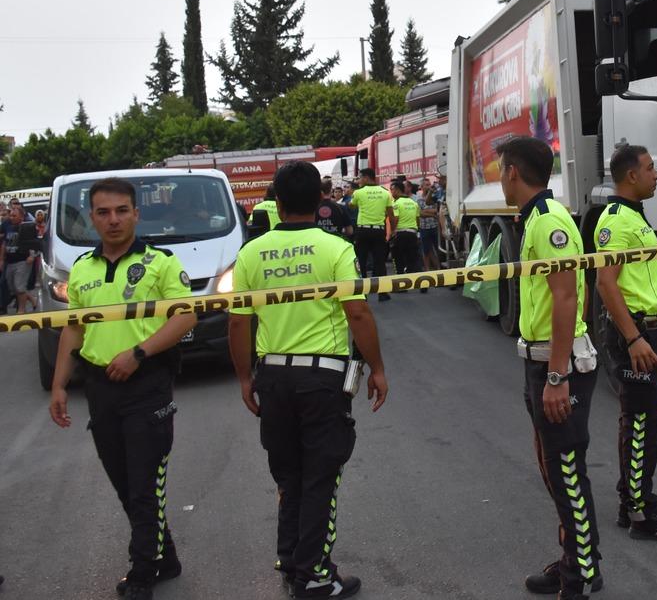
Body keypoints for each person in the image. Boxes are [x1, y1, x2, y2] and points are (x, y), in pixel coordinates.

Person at [228, 161, 388, 599]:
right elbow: (357, 311)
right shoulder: (334, 248)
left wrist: (245, 378)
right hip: (322, 378)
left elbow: (239, 324)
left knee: (289, 474)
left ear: (275, 203)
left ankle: (291, 557)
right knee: (321, 474)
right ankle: (315, 573)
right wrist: (376, 368)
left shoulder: (250, 253)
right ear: (321, 202)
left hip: (273, 376)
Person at [48, 177, 198, 600]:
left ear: (136, 213)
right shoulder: (82, 269)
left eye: (120, 211)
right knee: (122, 481)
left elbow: (185, 317)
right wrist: (59, 385)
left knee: (144, 483)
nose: (112, 220)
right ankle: (163, 557)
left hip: (147, 384)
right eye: (103, 212)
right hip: (99, 387)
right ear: (92, 217)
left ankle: (141, 572)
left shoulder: (161, 262)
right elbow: (72, 329)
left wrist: (139, 353)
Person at [497, 137, 602, 600]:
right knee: (554, 468)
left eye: (501, 170)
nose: (500, 178)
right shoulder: (535, 220)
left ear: (513, 172)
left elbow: (566, 297)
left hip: (558, 366)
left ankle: (581, 575)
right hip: (539, 360)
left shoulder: (550, 222)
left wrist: (558, 377)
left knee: (565, 471)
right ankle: (575, 561)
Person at [595, 145, 657, 542]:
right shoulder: (616, 221)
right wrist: (633, 337)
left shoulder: (634, 216)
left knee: (645, 423)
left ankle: (634, 498)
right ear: (631, 176)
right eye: (651, 169)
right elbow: (606, 283)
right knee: (640, 426)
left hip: (647, 331)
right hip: (634, 334)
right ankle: (639, 516)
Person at [350, 168, 395, 302]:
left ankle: (362, 294)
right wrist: (392, 230)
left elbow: (352, 205)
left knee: (361, 262)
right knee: (379, 262)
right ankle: (382, 293)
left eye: (360, 178)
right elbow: (391, 214)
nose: (358, 180)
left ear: (366, 178)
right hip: (378, 231)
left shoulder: (358, 192)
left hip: (363, 231)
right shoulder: (385, 192)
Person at [1, 200, 36, 314]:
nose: (11, 217)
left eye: (14, 215)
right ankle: (31, 298)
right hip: (9, 261)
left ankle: (21, 309)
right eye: (10, 215)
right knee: (12, 287)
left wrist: (32, 256)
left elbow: (33, 243)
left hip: (23, 260)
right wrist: (1, 259)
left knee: (19, 286)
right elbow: (4, 243)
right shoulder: (7, 226)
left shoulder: (27, 226)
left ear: (21, 216)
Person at [388, 179, 422, 285]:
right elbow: (418, 220)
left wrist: (392, 231)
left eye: (391, 190)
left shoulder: (396, 204)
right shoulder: (414, 203)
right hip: (412, 233)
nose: (391, 192)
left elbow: (395, 219)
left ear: (397, 190)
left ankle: (401, 284)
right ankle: (422, 283)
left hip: (400, 234)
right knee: (414, 259)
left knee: (398, 259)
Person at [415, 183, 441, 284]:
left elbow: (437, 210)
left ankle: (439, 270)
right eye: (425, 185)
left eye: (428, 184)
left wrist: (427, 211)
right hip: (424, 228)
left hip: (435, 227)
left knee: (437, 249)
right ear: (421, 187)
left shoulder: (434, 197)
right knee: (426, 250)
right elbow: (420, 213)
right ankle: (427, 271)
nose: (428, 186)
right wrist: (432, 213)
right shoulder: (419, 199)